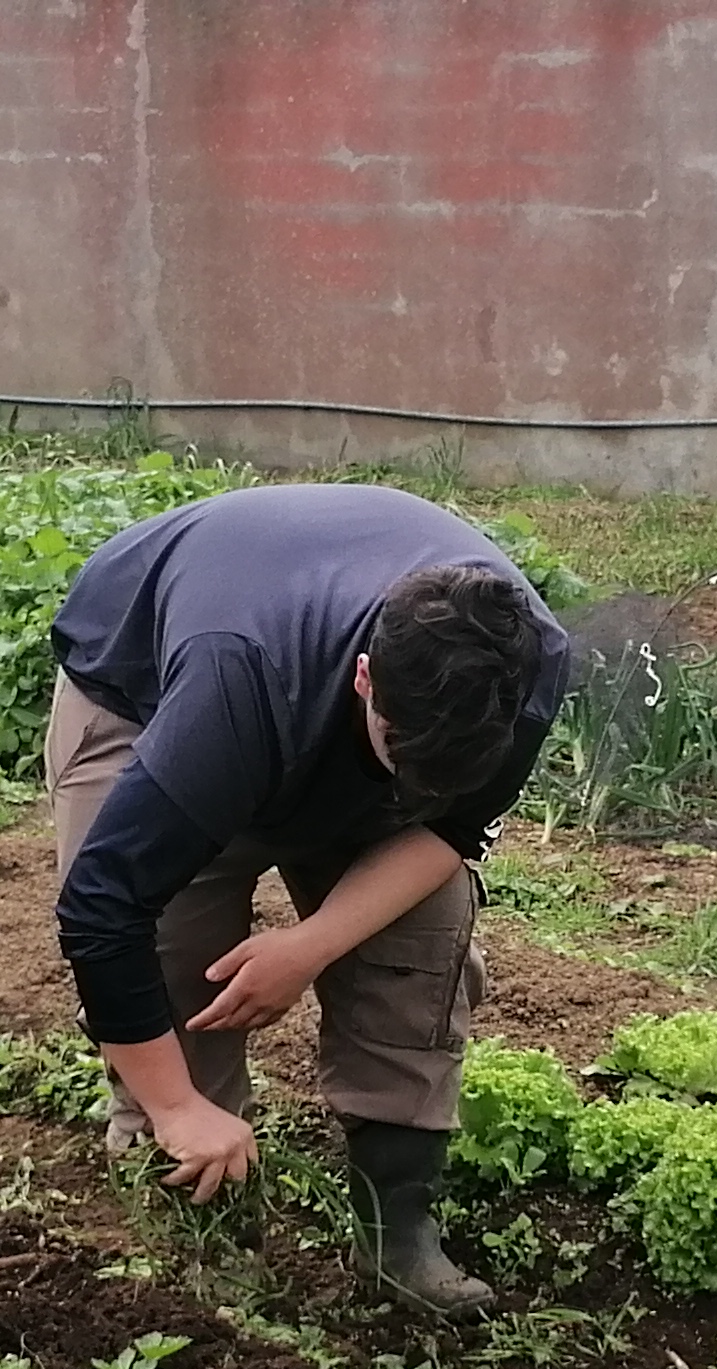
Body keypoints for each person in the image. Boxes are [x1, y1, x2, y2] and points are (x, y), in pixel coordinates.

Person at [46, 481, 574, 1320]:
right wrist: (178, 1105)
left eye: (451, 768)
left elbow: (452, 830)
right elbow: (102, 904)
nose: (421, 786)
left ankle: (397, 1232)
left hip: (311, 690)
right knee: (178, 953)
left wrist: (313, 942)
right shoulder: (237, 683)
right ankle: (198, 1218)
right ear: (367, 680)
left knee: (420, 938)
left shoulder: (519, 668)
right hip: (150, 697)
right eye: (406, 754)